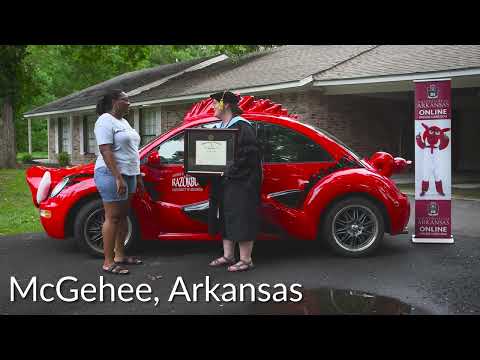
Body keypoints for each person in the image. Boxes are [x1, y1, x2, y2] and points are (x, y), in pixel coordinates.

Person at [200, 90, 262, 272]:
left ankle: (246, 259)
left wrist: (228, 171)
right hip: (224, 181)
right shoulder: (220, 127)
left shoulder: (243, 126)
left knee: (241, 216)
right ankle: (228, 255)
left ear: (225, 104)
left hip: (241, 181)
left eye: (214, 104)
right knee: (225, 216)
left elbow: (249, 156)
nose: (211, 107)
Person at [93, 89, 144, 275]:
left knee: (123, 216)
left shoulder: (123, 122)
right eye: (126, 100)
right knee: (113, 217)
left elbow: (132, 151)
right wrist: (118, 178)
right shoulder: (105, 120)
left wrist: (137, 176)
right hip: (110, 174)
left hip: (129, 174)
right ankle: (108, 262)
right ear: (115, 102)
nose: (129, 103)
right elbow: (106, 150)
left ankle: (120, 256)